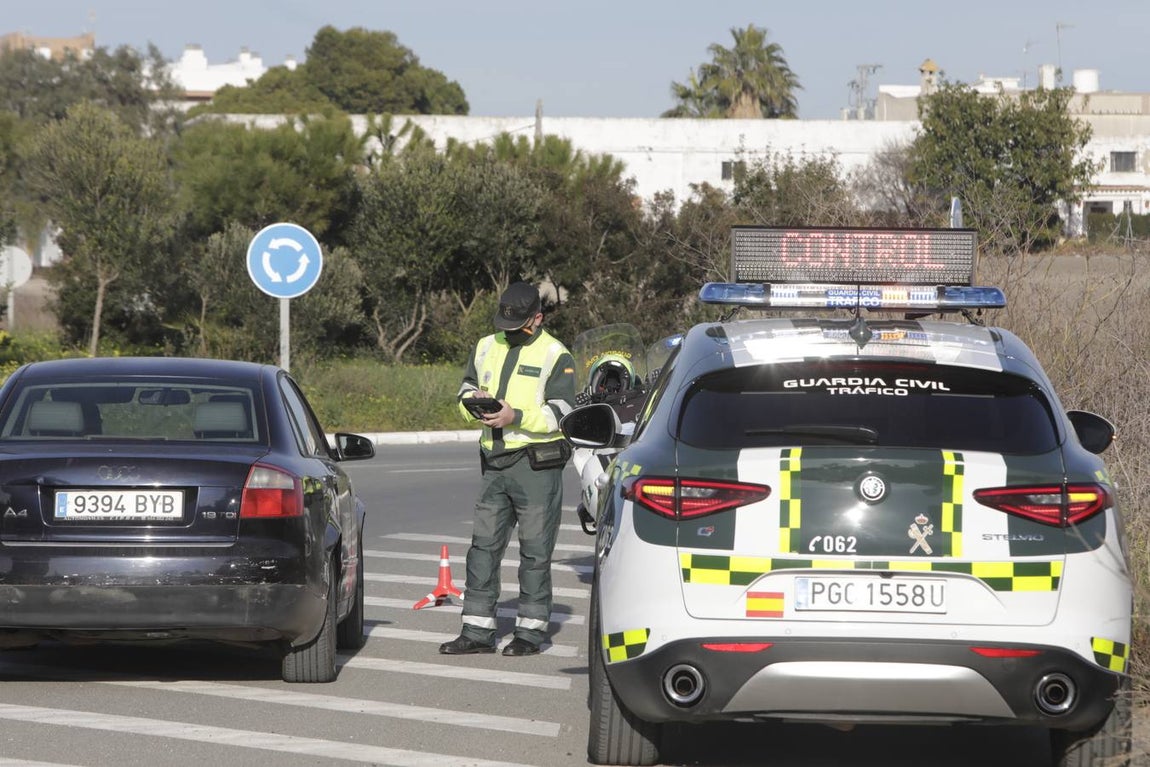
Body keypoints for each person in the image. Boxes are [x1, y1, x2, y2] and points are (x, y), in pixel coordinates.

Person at [439, 281, 577, 657]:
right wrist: (473, 402)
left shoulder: (555, 353)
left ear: (538, 317)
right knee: (482, 549)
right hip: (494, 466)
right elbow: (465, 388)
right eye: (505, 324)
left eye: (518, 325)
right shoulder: (486, 346)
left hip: (536, 467)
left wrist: (516, 416)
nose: (509, 331)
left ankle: (530, 633)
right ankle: (477, 631)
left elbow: (563, 412)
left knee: (535, 552)